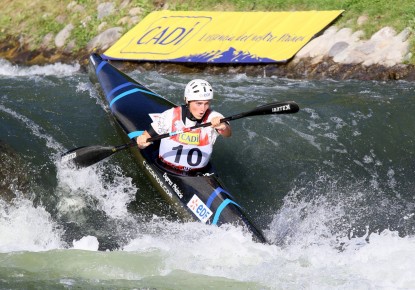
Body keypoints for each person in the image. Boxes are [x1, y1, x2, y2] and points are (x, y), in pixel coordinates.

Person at [136, 79, 231, 171]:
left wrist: (222, 126)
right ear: (187, 100)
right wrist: (142, 142)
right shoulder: (170, 115)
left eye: (206, 103)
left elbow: (228, 133)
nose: (203, 109)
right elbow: (146, 136)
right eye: (199, 103)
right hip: (167, 168)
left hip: (198, 173)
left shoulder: (213, 117)